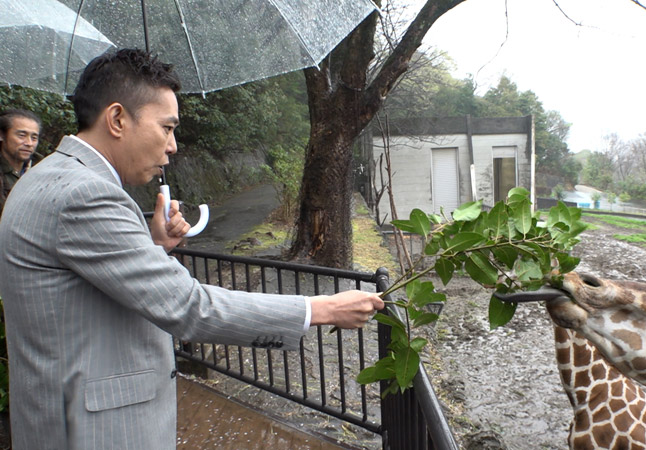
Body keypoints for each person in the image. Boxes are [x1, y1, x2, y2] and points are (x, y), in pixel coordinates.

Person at [0, 48, 384, 450]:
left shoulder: (45, 175)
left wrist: (153, 246)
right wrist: (322, 309)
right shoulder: (86, 194)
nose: (173, 146)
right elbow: (188, 306)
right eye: (167, 127)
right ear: (117, 119)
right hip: (95, 432)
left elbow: (78, 292)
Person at [0, 108, 42, 214]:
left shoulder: (43, 168)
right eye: (22, 135)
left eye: (34, 138)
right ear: (2, 135)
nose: (29, 143)